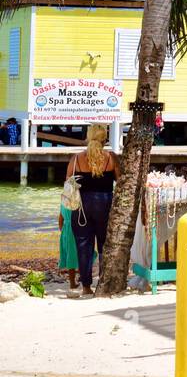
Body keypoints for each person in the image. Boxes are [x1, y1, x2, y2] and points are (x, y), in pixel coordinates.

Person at [65, 124, 119, 295]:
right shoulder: (111, 158)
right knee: (105, 244)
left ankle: (86, 286)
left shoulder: (76, 158)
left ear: (88, 137)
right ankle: (103, 283)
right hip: (104, 203)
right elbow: (121, 181)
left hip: (82, 205)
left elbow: (68, 184)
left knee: (84, 245)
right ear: (105, 139)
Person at [58, 200, 79, 294]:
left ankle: (73, 281)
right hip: (75, 229)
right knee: (75, 255)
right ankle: (73, 283)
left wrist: (63, 231)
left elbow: (60, 219)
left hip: (66, 230)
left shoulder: (63, 203)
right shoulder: (76, 202)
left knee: (70, 255)